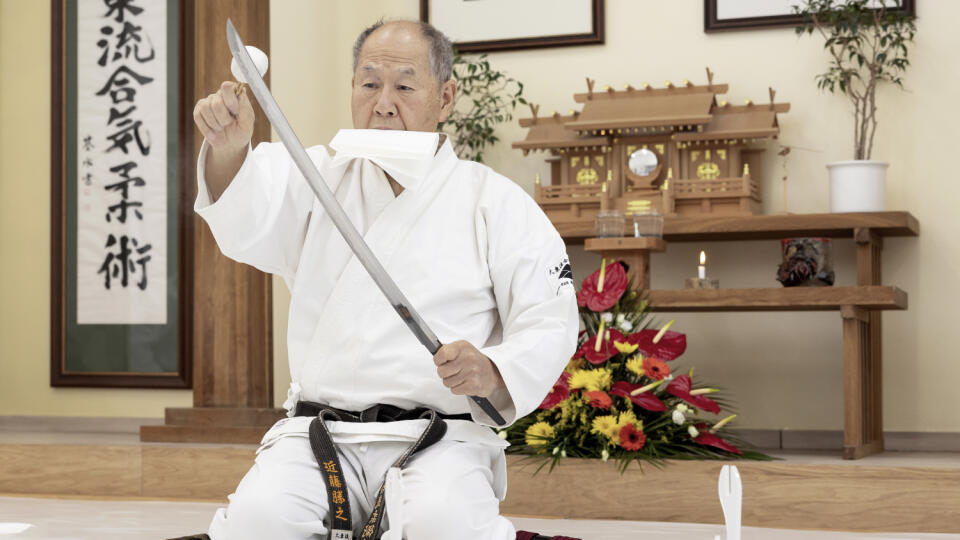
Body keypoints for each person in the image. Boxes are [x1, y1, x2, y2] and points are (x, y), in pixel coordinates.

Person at [192, 18, 578, 540]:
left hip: (440, 438)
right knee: (257, 522)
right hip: (317, 433)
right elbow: (245, 215)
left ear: (445, 97)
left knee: (442, 525)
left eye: (404, 84)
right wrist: (229, 148)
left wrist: (491, 368)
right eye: (369, 83)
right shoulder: (317, 177)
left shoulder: (496, 201)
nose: (383, 102)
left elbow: (549, 319)